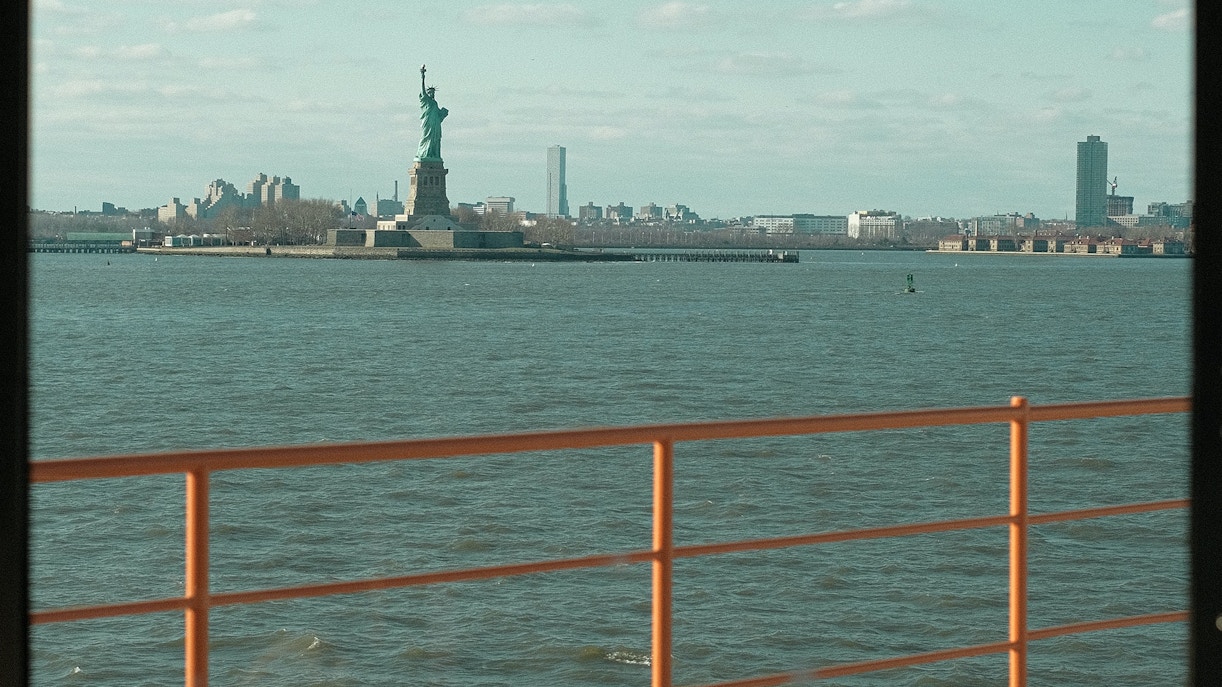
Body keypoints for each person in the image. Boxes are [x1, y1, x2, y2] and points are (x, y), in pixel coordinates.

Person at [417, 65, 448, 161]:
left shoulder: (435, 103)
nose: (432, 94)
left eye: (433, 92)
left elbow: (439, 116)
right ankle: (423, 154)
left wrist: (443, 113)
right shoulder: (426, 101)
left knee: (435, 140)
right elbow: (422, 90)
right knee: (425, 138)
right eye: (430, 92)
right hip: (428, 124)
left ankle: (434, 155)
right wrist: (423, 76)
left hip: (435, 125)